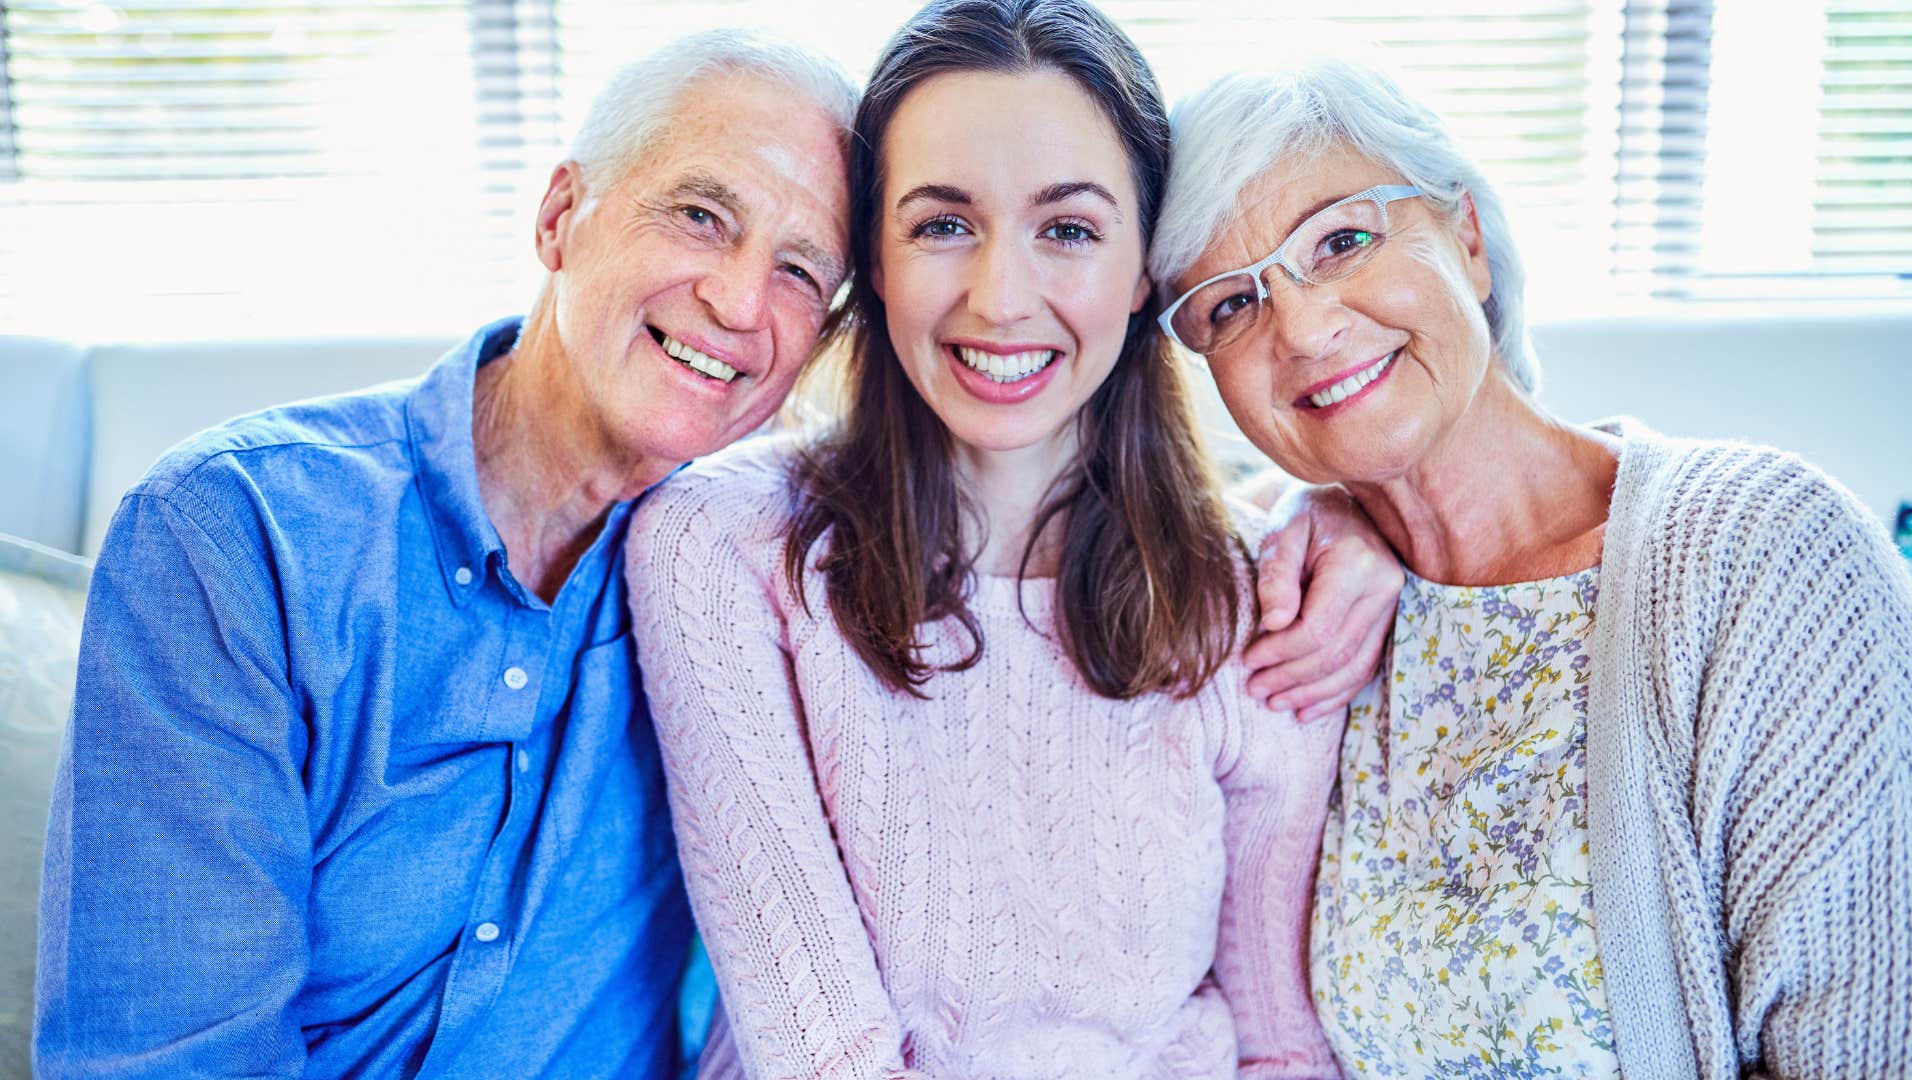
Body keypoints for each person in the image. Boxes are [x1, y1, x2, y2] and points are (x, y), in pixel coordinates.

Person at [35, 32, 857, 1077]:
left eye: (799, 271)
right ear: (560, 216)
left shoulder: (758, 577)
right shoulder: (236, 538)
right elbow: (174, 1059)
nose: (741, 306)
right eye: (701, 216)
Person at [625, 2, 1405, 1076]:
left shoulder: (1257, 596)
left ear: (1143, 275)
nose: (1000, 298)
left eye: (1069, 229)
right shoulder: (722, 551)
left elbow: (1280, 1040)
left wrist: (1362, 517)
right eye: (943, 224)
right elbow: (821, 1053)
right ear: (877, 263)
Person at [1150, 52, 1912, 1078]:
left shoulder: (1764, 554)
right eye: (1230, 305)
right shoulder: (1301, 606)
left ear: (1466, 238)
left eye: (1340, 240)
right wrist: (1317, 509)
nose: (1302, 326)